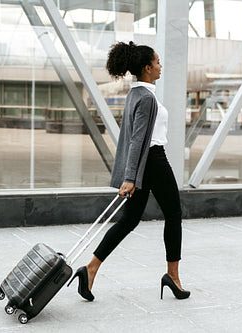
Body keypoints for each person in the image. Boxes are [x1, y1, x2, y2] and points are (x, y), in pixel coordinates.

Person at [67, 41, 190, 301]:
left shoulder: (137, 93)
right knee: (174, 213)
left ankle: (90, 269)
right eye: (157, 62)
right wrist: (130, 177)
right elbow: (136, 140)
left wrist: (132, 174)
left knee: (129, 219)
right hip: (154, 160)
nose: (160, 66)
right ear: (146, 68)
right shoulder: (146, 98)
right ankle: (173, 277)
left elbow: (133, 140)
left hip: (145, 164)